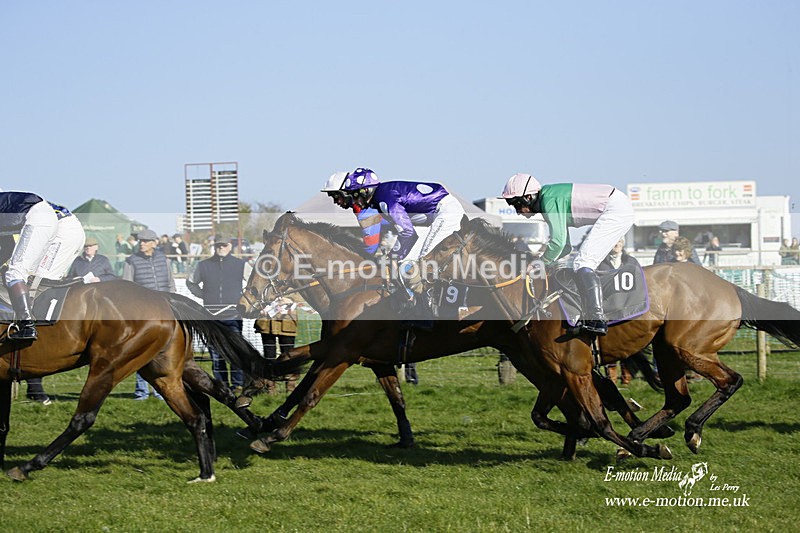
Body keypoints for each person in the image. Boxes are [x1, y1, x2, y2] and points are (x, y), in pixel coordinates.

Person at [500, 173, 634, 336]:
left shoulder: (549, 201)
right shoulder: (548, 200)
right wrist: (542, 262)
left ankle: (597, 319)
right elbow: (565, 247)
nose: (518, 211)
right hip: (616, 205)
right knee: (580, 262)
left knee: (583, 262)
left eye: (517, 204)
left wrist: (539, 263)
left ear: (529, 197)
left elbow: (558, 243)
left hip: (616, 209)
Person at [0, 191, 86, 340]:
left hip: (60, 229)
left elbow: (7, 246)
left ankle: (27, 325)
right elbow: (7, 247)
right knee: (31, 279)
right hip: (61, 225)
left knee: (16, 274)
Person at [186, 234, 246, 390]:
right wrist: (203, 295)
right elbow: (191, 283)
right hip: (211, 316)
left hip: (233, 315)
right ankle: (222, 385)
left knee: (235, 352)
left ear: (230, 246)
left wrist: (243, 300)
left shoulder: (241, 265)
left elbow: (253, 284)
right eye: (219, 245)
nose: (221, 248)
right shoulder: (203, 265)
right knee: (216, 354)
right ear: (214, 246)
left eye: (224, 245)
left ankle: (238, 384)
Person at [123, 228, 173, 400]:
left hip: (165, 309)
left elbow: (170, 283)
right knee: (142, 351)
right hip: (143, 313)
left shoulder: (164, 259)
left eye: (145, 241)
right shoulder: (131, 261)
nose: (142, 244)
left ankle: (161, 389)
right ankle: (141, 392)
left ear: (154, 243)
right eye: (140, 241)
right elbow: (127, 287)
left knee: (164, 351)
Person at [253, 296, 300, 394]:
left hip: (287, 321)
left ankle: (290, 387)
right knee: (269, 356)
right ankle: (270, 387)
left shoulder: (291, 282)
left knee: (288, 355)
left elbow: (301, 296)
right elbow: (255, 295)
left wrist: (291, 299)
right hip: (267, 322)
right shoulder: (265, 282)